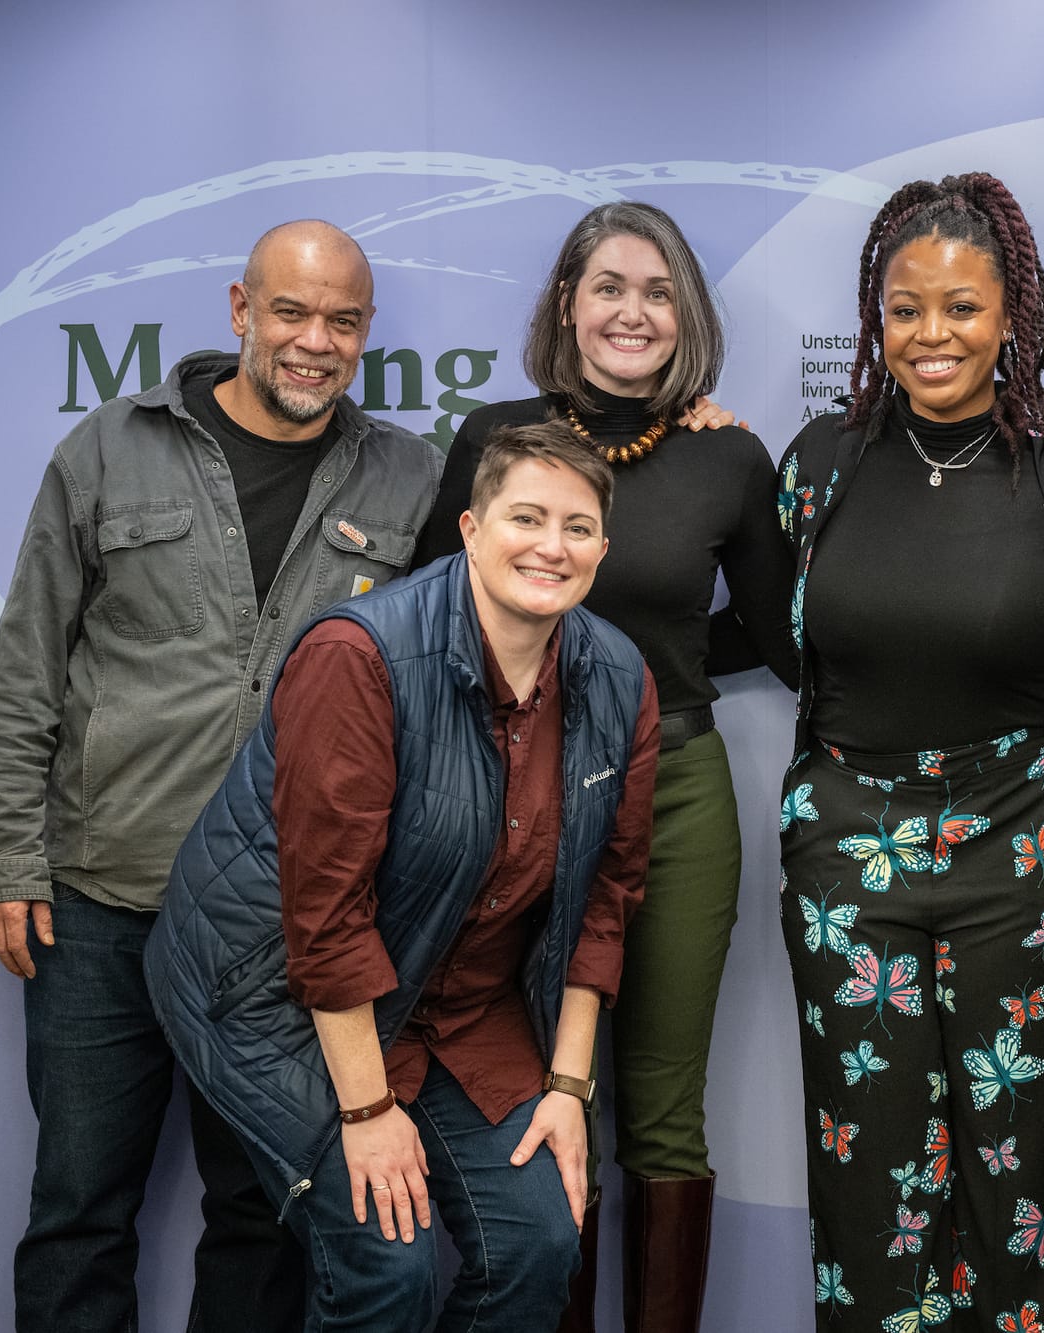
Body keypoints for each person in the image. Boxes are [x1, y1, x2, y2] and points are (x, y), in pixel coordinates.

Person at [0, 219, 441, 1333]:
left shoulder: (410, 478)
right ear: (239, 310)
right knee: (79, 1208)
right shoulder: (108, 449)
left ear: (365, 332)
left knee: (262, 1218)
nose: (314, 340)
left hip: (284, 927)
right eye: (290, 311)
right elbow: (26, 662)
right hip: (99, 903)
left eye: (342, 321)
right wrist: (5, 857)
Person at [147, 422, 662, 1333]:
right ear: (469, 527)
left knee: (541, 1241)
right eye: (527, 517)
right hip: (273, 993)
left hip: (455, 996)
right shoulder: (360, 656)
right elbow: (326, 913)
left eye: (577, 527)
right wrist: (368, 1107)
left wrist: (569, 1090)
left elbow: (605, 897)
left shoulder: (620, 677)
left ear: (602, 550)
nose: (551, 546)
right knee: (387, 1259)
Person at [412, 200, 795, 1332]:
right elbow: (439, 612)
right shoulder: (494, 439)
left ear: (686, 315)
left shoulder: (728, 454)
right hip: (513, 795)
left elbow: (773, 636)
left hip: (673, 786)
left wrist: (643, 661)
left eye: (659, 291)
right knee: (537, 1095)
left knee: (665, 1112)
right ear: (566, 304)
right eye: (610, 287)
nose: (633, 310)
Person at [776, 172, 1044, 1332]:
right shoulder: (818, 461)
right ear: (874, 320)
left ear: (1009, 318)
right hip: (848, 855)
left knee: (1018, 1160)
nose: (930, 335)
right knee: (870, 1164)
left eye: (961, 308)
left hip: (1021, 845)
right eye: (902, 309)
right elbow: (797, 643)